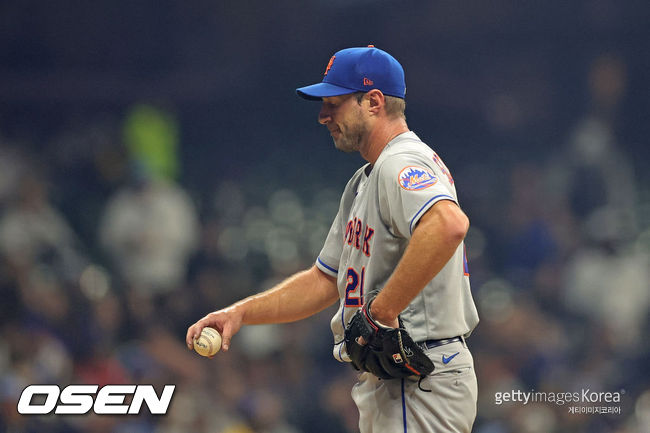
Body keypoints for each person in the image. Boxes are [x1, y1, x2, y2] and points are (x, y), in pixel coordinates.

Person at [187, 45, 479, 433]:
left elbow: (448, 225)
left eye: (334, 103)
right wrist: (241, 312)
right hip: (400, 381)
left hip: (421, 376)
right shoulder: (365, 180)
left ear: (373, 101)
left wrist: (381, 312)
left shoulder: (401, 160)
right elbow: (326, 279)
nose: (323, 116)